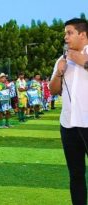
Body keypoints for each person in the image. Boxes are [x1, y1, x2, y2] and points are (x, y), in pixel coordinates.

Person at [49, 18, 88, 205]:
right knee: (76, 174)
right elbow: (54, 90)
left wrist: (84, 62)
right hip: (68, 125)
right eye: (65, 33)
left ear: (83, 34)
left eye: (69, 33)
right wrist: (59, 72)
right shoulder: (62, 59)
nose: (66, 37)